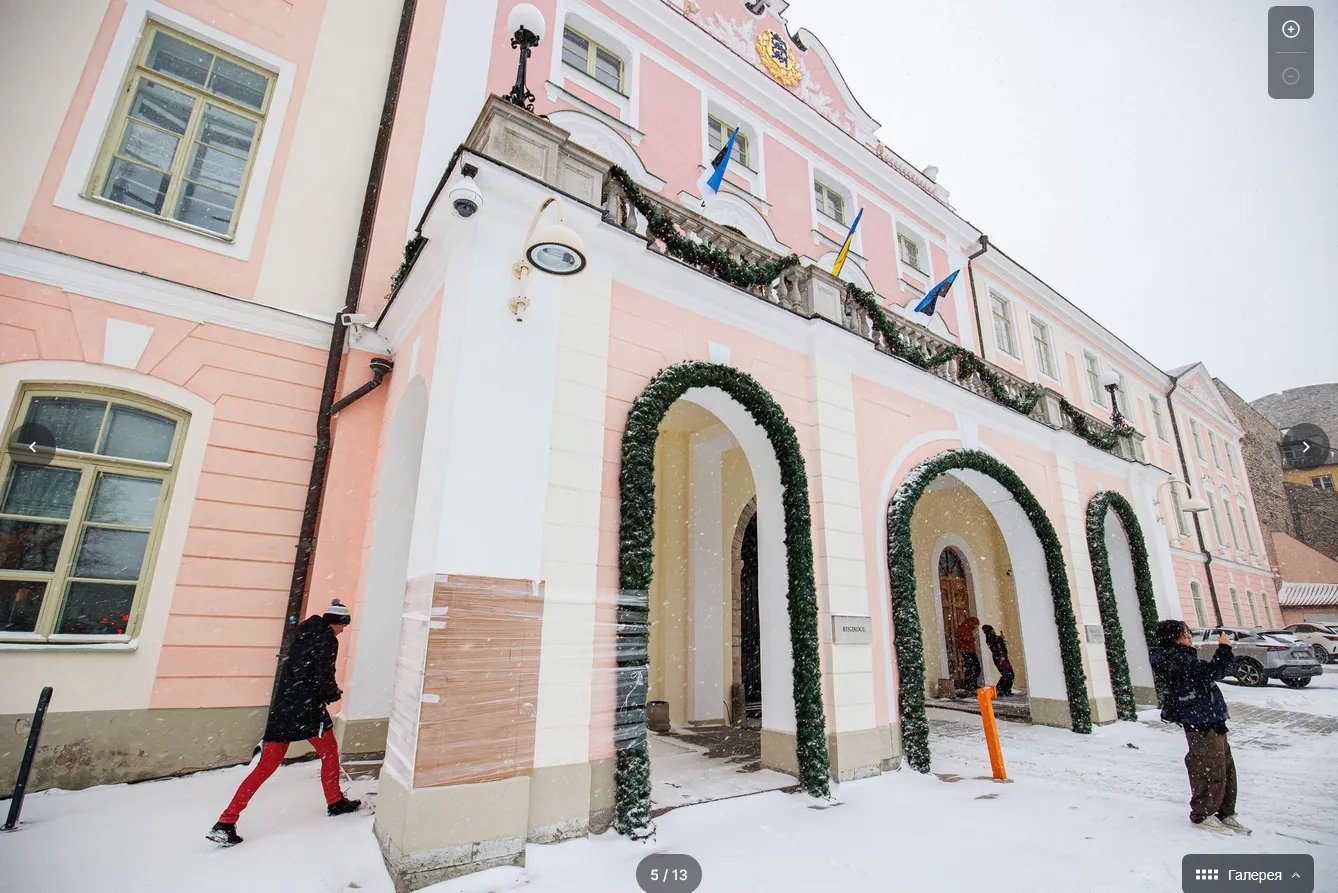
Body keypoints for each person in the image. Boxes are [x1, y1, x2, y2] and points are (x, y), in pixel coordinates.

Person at [207, 600, 362, 846]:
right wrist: (332, 693)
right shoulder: (327, 638)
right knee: (330, 753)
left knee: (265, 767)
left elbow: (297, 671)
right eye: (344, 626)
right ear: (338, 622)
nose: (343, 630)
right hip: (308, 710)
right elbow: (323, 674)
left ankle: (226, 820)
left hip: (283, 708)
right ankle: (335, 802)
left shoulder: (302, 634)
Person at [1148, 620, 1250, 835]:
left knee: (1225, 768)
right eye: (1185, 634)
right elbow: (1215, 671)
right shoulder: (1176, 658)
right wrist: (1224, 648)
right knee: (1208, 767)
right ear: (1175, 637)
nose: (1189, 638)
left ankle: (1225, 813)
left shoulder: (1181, 657)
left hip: (1211, 717)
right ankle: (1203, 813)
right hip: (1199, 719)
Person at [981, 624, 1014, 697]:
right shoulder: (990, 639)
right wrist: (1001, 638)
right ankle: (1000, 689)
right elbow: (996, 645)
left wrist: (1003, 639)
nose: (994, 631)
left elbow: (1002, 646)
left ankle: (1006, 690)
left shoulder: (995, 638)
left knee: (1010, 674)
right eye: (992, 630)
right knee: (1006, 675)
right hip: (999, 659)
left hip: (1003, 658)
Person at [956, 616, 982, 693]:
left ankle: (973, 683)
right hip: (966, 650)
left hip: (970, 650)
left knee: (976, 667)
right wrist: (972, 638)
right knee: (970, 668)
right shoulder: (963, 628)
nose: (976, 627)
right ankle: (969, 685)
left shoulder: (969, 629)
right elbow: (964, 638)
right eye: (975, 625)